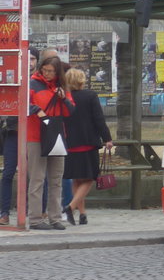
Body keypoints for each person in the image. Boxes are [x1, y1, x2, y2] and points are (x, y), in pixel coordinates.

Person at [26, 56, 73, 230]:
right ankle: (36, 219)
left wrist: (63, 99)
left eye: (51, 71)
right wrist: (36, 110)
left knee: (55, 179)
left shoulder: (61, 86)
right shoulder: (33, 83)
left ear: (57, 72)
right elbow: (25, 103)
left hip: (56, 136)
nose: (47, 74)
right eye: (44, 70)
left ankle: (55, 218)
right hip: (36, 136)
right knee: (37, 179)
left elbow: (70, 111)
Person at [62, 67, 113, 225]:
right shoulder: (90, 95)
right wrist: (107, 138)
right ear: (82, 80)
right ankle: (70, 207)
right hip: (87, 142)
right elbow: (99, 119)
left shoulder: (65, 97)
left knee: (77, 179)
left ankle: (82, 214)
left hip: (69, 144)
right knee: (90, 178)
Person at [0, 111, 16, 225]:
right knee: (7, 175)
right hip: (11, 133)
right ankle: (4, 213)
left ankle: (40, 211)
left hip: (31, 133)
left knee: (37, 176)